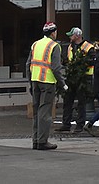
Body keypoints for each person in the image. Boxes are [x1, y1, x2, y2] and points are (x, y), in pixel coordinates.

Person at [28, 21, 66, 150]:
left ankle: (36, 140)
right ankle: (43, 141)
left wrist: (30, 81)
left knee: (36, 111)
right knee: (45, 112)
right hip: (48, 82)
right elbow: (56, 68)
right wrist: (63, 84)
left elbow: (28, 64)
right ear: (53, 32)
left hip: (35, 80)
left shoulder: (35, 44)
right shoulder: (54, 46)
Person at [59, 27, 96, 133]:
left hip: (84, 78)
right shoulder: (70, 47)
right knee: (67, 100)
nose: (69, 37)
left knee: (81, 102)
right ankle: (66, 123)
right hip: (72, 77)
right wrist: (65, 62)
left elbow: (93, 61)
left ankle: (80, 125)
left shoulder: (89, 47)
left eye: (71, 35)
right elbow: (68, 60)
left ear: (77, 36)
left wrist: (81, 64)